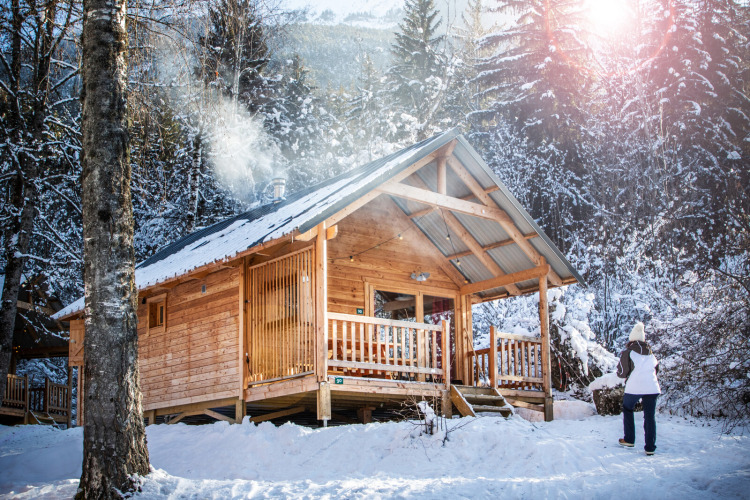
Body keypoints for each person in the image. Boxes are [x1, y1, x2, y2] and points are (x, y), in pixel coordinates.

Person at [616, 322, 661, 455]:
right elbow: (656, 370)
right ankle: (650, 447)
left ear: (631, 340)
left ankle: (629, 439)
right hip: (652, 387)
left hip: (634, 387)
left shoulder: (628, 353)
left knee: (628, 408)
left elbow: (622, 372)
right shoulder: (651, 354)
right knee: (649, 416)